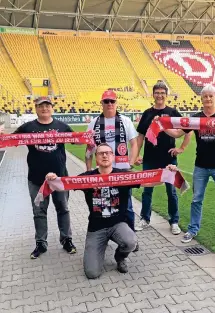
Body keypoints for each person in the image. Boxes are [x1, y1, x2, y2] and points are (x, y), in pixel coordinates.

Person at [46, 143, 178, 278]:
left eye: (108, 153)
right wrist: (52, 179)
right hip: (96, 227)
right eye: (100, 153)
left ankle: (120, 257)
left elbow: (150, 181)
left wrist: (167, 173)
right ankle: (100, 247)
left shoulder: (124, 176)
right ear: (96, 158)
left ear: (113, 156)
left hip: (118, 224)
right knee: (92, 273)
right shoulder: (87, 177)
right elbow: (63, 185)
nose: (104, 155)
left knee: (130, 242)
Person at [164, 85, 215, 247]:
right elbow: (178, 133)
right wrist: (162, 126)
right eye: (205, 96)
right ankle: (192, 230)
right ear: (201, 98)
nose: (207, 99)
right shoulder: (196, 119)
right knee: (196, 200)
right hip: (201, 166)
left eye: (210, 96)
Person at [13, 96, 77, 259]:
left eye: (48, 106)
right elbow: (12, 140)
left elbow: (77, 140)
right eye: (41, 106)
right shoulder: (27, 127)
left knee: (63, 209)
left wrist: (87, 138)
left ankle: (66, 239)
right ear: (36, 108)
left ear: (52, 108)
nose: (45, 109)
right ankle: (41, 243)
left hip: (59, 179)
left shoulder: (61, 126)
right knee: (39, 211)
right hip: (36, 179)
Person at [135, 81, 191, 234]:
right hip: (150, 158)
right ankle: (144, 219)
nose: (159, 95)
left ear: (166, 95)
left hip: (168, 159)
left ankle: (174, 221)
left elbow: (188, 130)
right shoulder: (147, 113)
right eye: (157, 92)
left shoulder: (172, 112)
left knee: (171, 191)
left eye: (162, 93)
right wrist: (136, 154)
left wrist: (181, 148)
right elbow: (140, 136)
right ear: (153, 94)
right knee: (147, 190)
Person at [85, 90, 138, 236]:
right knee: (102, 205)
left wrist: (130, 164)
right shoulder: (93, 123)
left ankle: (130, 235)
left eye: (112, 101)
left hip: (121, 172)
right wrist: (89, 171)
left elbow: (134, 144)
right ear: (101, 103)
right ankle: (104, 235)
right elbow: (89, 149)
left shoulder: (125, 121)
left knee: (127, 206)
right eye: (106, 101)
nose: (109, 104)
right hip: (101, 173)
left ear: (116, 103)